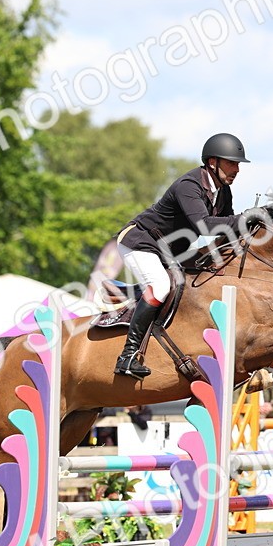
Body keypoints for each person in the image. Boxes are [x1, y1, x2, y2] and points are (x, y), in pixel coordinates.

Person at [112, 133, 257, 379]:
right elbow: (206, 226)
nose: (237, 169)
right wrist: (245, 217)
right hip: (141, 241)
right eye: (232, 163)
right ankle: (128, 355)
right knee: (159, 286)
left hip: (173, 250)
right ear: (213, 162)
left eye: (239, 164)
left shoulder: (223, 192)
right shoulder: (189, 185)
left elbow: (226, 230)